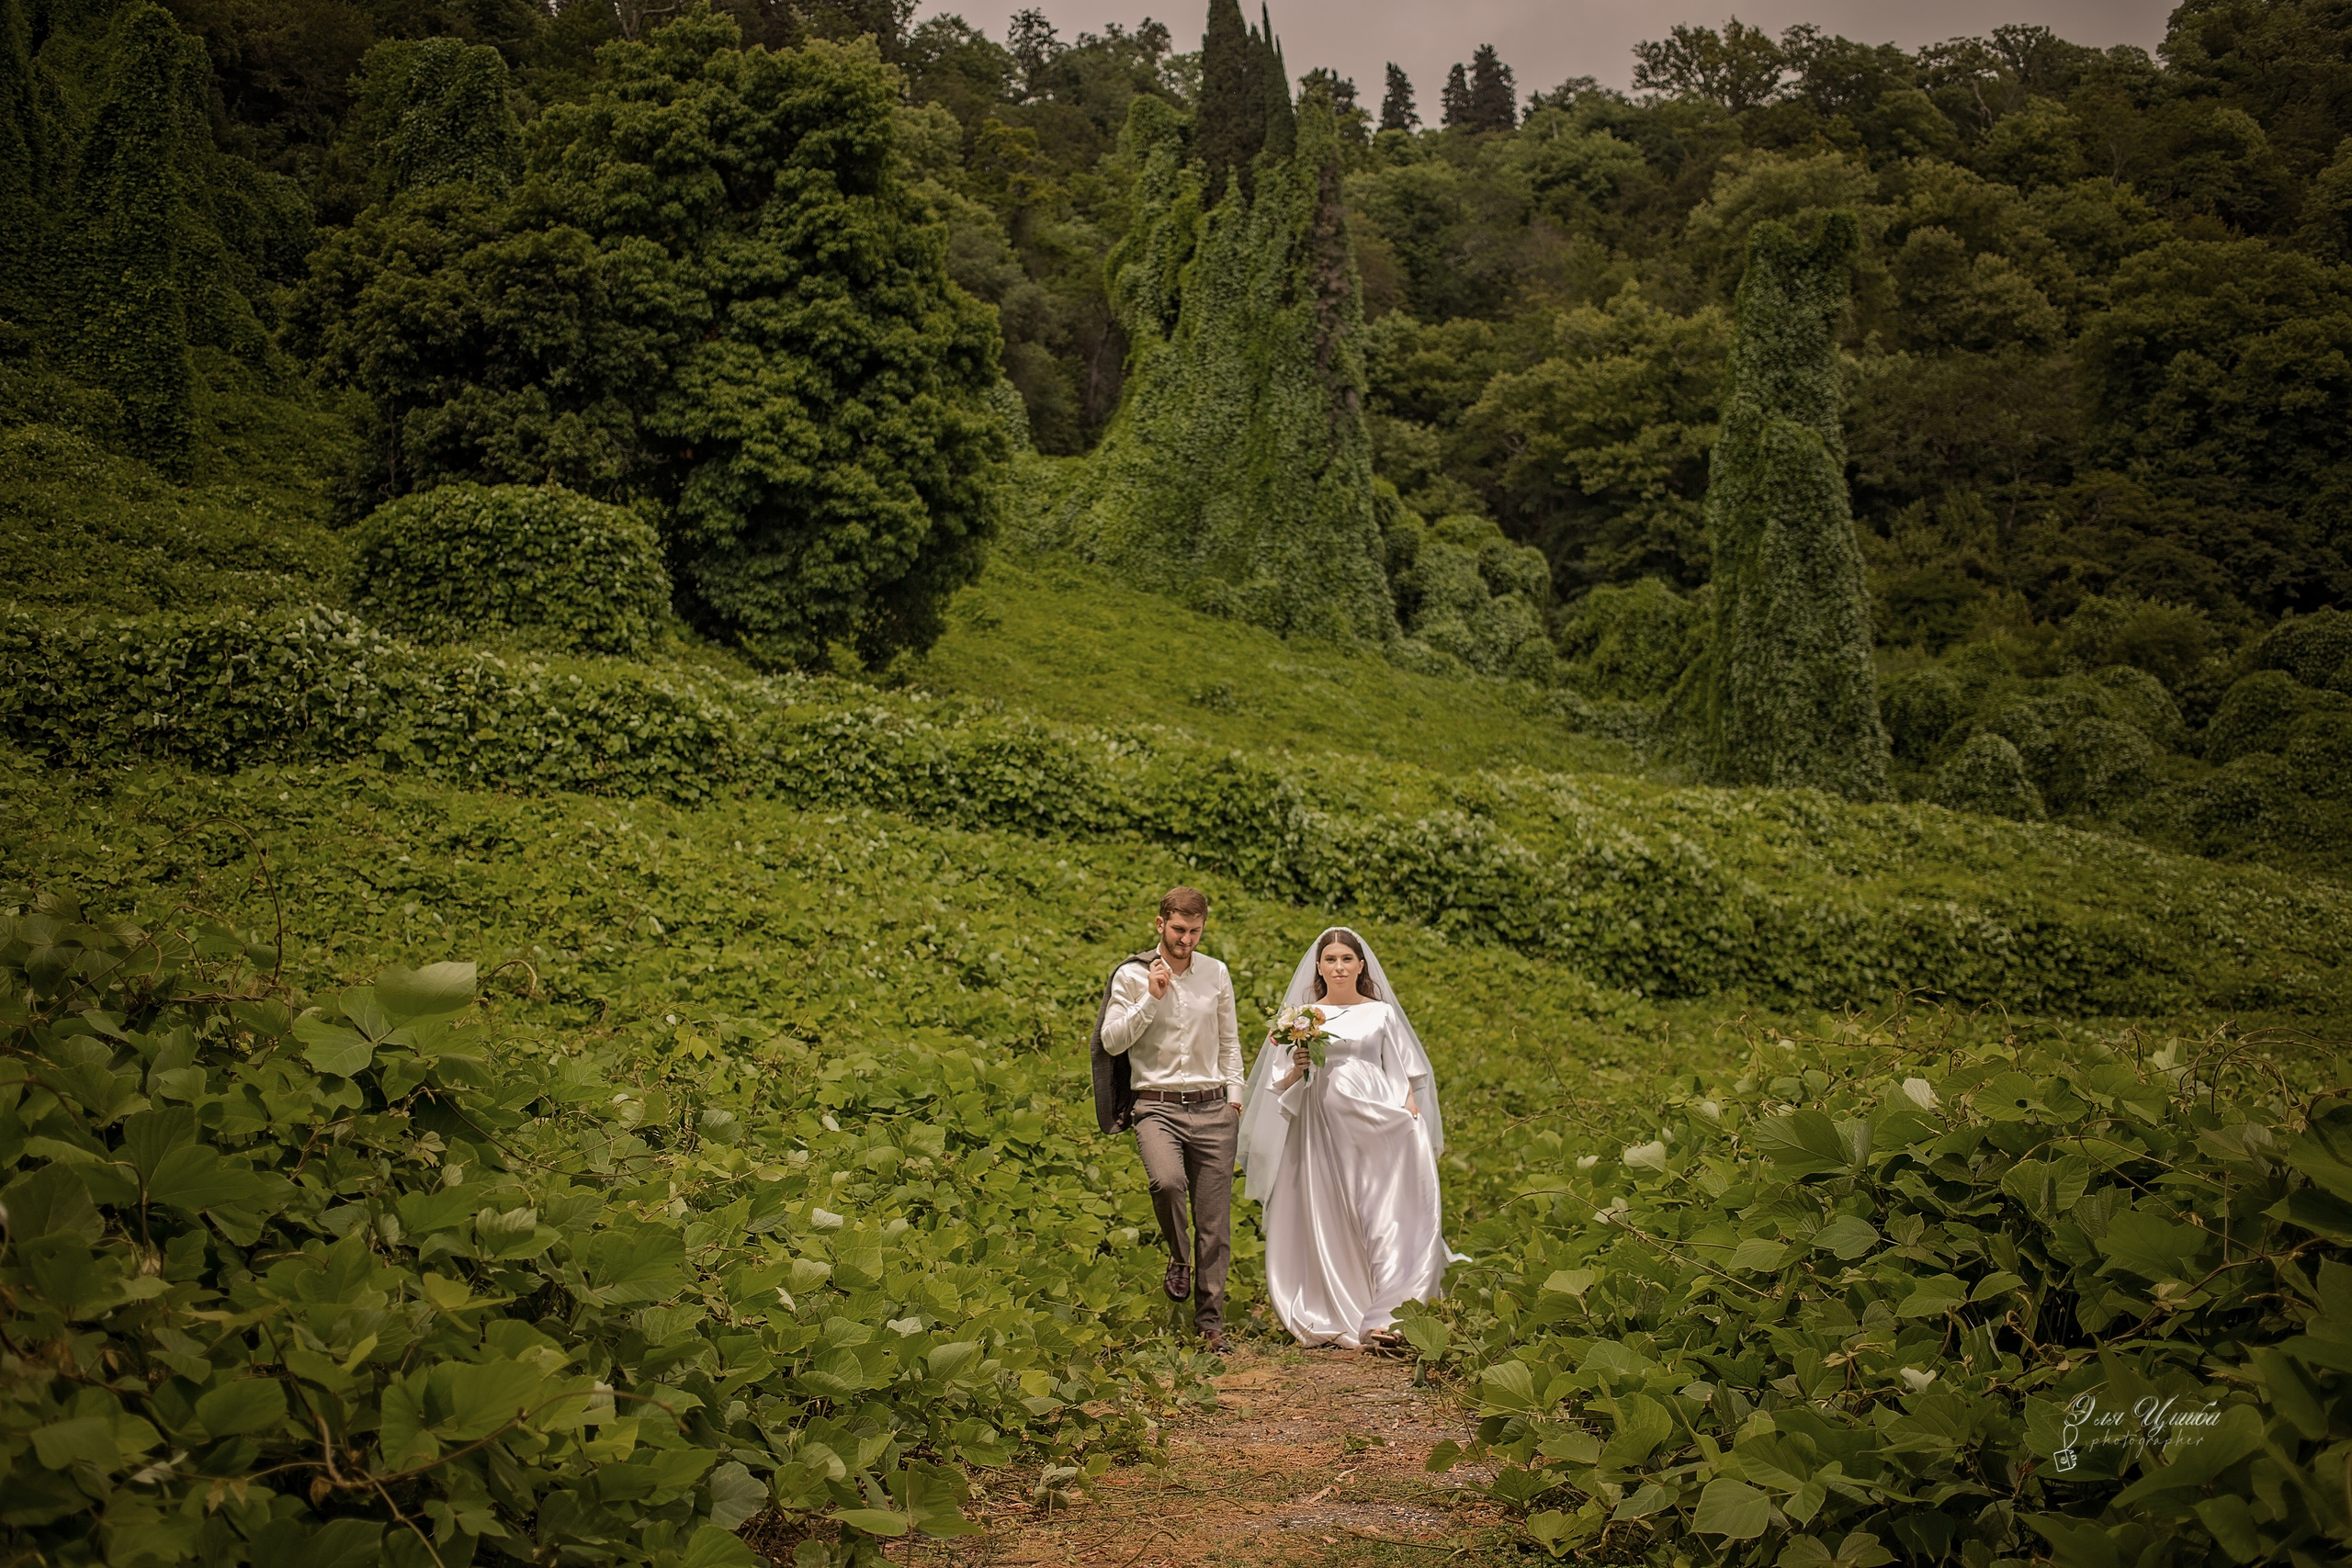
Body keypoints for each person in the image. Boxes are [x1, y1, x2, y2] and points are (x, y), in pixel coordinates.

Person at [1238, 926, 1458, 1348]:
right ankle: (1340, 1305)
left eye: (1346, 959)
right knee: (1334, 1212)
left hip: (1377, 1126)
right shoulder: (1302, 1017)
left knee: (1382, 1214)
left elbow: (1406, 1071)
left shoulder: (1381, 1014)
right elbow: (1279, 1082)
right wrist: (1298, 1065)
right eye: (1331, 960)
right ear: (1319, 968)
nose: (1339, 967)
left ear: (1360, 965)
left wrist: (1409, 1109)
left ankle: (1391, 1314)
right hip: (1321, 1130)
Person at [1093, 886, 1244, 1353]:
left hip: (1213, 1107)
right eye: (1179, 929)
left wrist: (1235, 1098)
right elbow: (1111, 1042)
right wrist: (1151, 998)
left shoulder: (1216, 972)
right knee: (1167, 1182)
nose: (1187, 940)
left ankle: (1210, 1325)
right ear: (1161, 924)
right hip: (1156, 1106)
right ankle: (1180, 1257)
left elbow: (1229, 1040)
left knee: (1214, 1224)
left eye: (1195, 931)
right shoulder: (1132, 975)